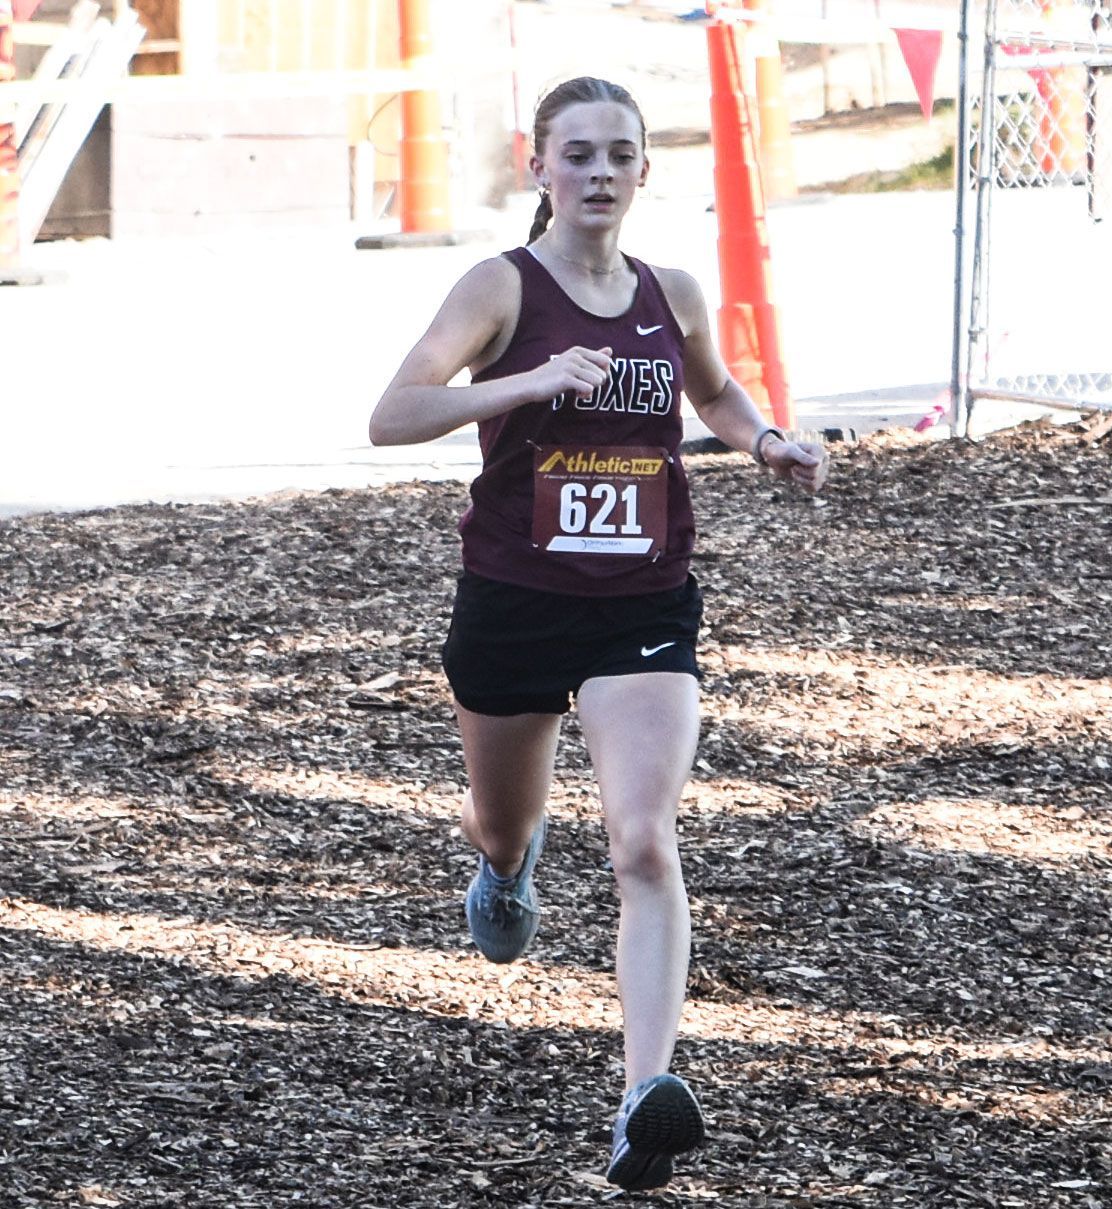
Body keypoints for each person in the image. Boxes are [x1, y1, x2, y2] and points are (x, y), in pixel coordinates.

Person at [368, 76, 828, 1192]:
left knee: (643, 840)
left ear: (643, 171)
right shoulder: (501, 286)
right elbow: (393, 414)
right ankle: (505, 867)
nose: (600, 173)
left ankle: (643, 1099)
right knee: (503, 823)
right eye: (576, 154)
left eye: (620, 153)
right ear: (538, 167)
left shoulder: (672, 293)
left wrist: (765, 442)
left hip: (642, 607)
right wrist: (527, 381)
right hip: (515, 603)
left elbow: (714, 395)